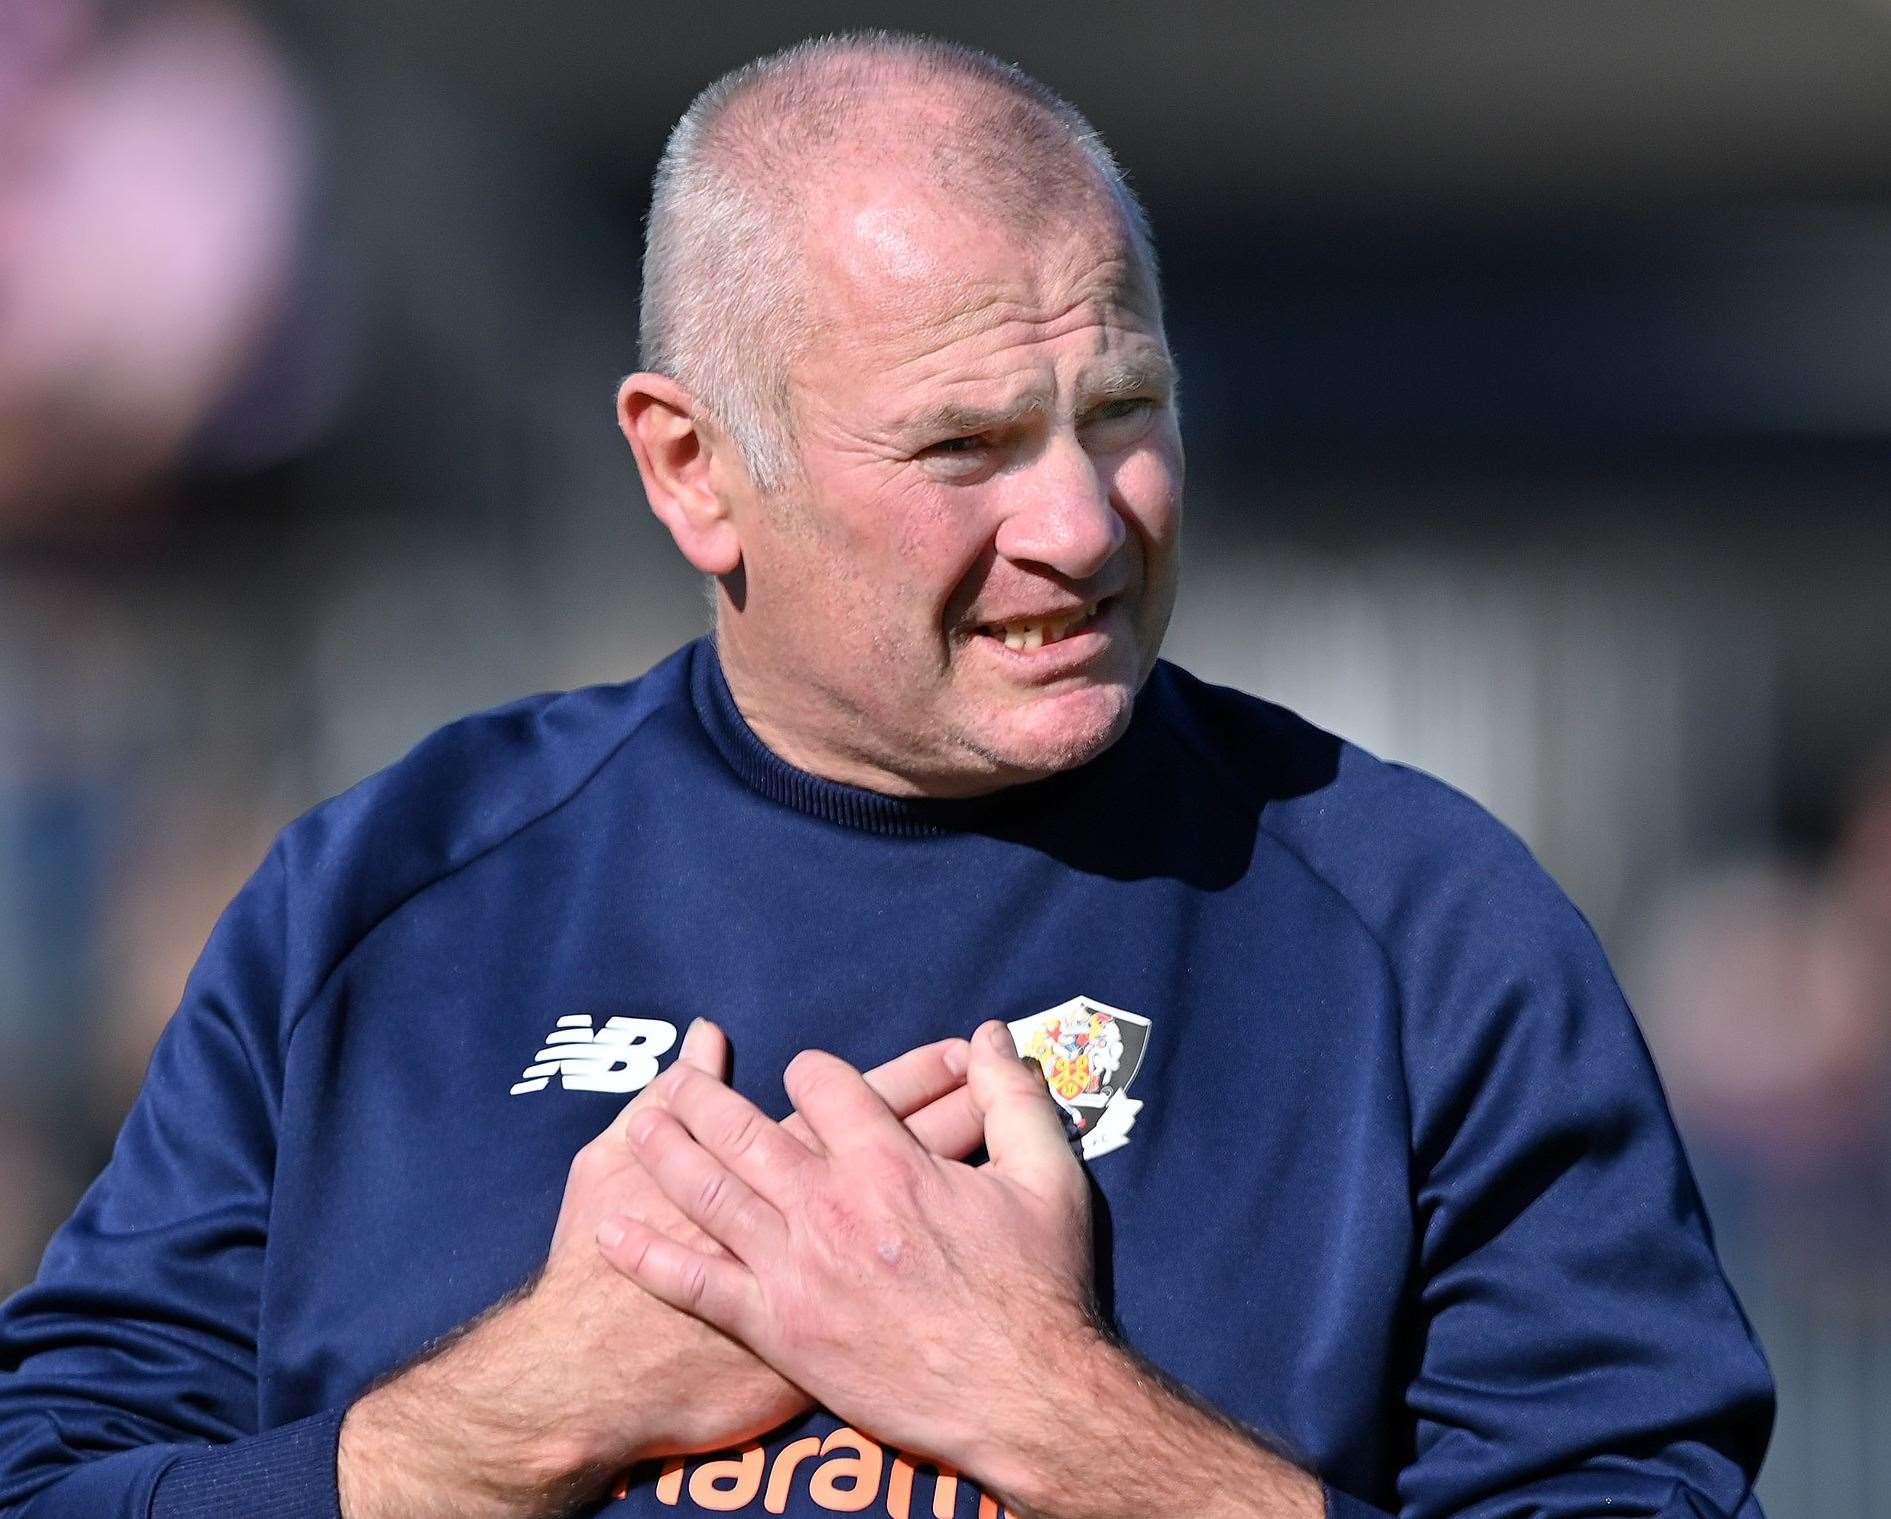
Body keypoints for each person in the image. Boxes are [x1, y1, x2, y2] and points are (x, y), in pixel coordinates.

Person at [0, 32, 1773, 1519]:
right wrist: (508, 1418)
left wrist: (1055, 1414)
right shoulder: (380, 902)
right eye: (967, 445)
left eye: (1124, 414)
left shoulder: (1427, 930)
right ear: (691, 468)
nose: (1078, 526)